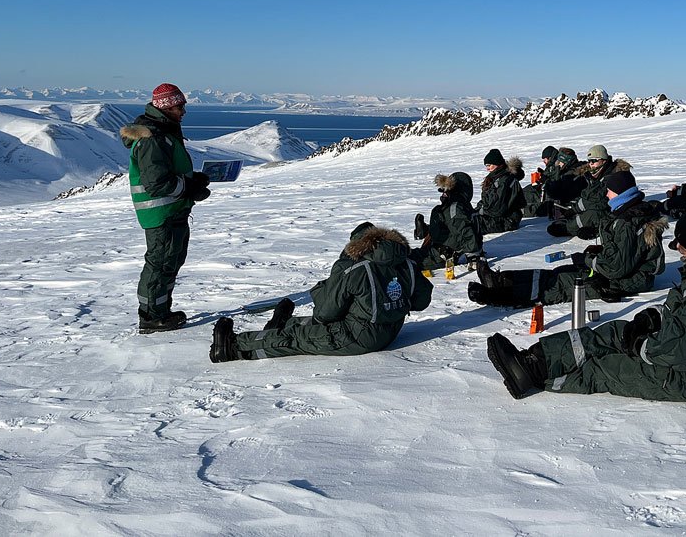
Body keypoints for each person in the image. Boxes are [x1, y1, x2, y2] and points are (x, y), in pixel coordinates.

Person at [484, 210, 686, 401]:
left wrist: (641, 347)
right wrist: (655, 317)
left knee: (606, 366)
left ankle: (535, 377)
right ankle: (535, 358)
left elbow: (682, 353)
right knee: (611, 332)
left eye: (680, 245)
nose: (679, 252)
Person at [210, 222, 433, 362]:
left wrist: (324, 289)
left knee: (296, 339)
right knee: (307, 327)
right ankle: (283, 324)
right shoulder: (407, 264)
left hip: (358, 338)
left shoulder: (355, 269)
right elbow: (421, 301)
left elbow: (325, 314)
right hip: (390, 331)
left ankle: (233, 347)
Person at [469, 169, 666, 308]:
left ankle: (498, 296)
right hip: (623, 273)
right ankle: (502, 280)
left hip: (627, 281)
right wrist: (597, 253)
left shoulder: (628, 221)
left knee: (561, 283)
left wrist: (588, 260)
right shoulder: (630, 212)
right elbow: (623, 253)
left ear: (620, 193)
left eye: (609, 191)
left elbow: (616, 268)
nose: (606, 194)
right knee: (558, 271)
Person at [120, 83, 212, 333]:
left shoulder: (164, 133)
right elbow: (157, 183)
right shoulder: (153, 138)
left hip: (172, 211)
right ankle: (151, 317)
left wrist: (192, 180)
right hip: (161, 213)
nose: (183, 111)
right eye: (179, 106)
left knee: (170, 261)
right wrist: (188, 188)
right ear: (166, 107)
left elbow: (168, 172)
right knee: (160, 263)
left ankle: (161, 312)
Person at [546, 144, 631, 239]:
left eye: (594, 161)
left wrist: (574, 210)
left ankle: (569, 227)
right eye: (589, 161)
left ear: (603, 160)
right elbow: (587, 195)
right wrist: (573, 210)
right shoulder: (593, 174)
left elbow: (598, 201)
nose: (591, 164)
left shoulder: (612, 176)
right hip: (600, 210)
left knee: (592, 214)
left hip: (612, 212)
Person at [412, 172, 481, 267]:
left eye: (446, 191)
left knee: (406, 261)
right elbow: (449, 228)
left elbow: (465, 231)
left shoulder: (454, 209)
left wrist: (473, 256)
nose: (443, 194)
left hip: (442, 254)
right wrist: (427, 229)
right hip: (437, 247)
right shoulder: (453, 206)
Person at [475, 149, 526, 234]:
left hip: (508, 220)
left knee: (471, 225)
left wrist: (481, 211)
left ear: (497, 164)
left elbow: (497, 208)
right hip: (499, 217)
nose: (487, 168)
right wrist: (476, 210)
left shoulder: (505, 180)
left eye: (489, 165)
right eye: (486, 166)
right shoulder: (495, 178)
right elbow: (488, 200)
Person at [521, 145, 560, 217]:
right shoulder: (551, 166)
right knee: (524, 191)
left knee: (529, 197)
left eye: (544, 158)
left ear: (550, 158)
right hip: (543, 190)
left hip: (547, 195)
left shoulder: (556, 166)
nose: (543, 161)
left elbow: (555, 182)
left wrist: (545, 180)